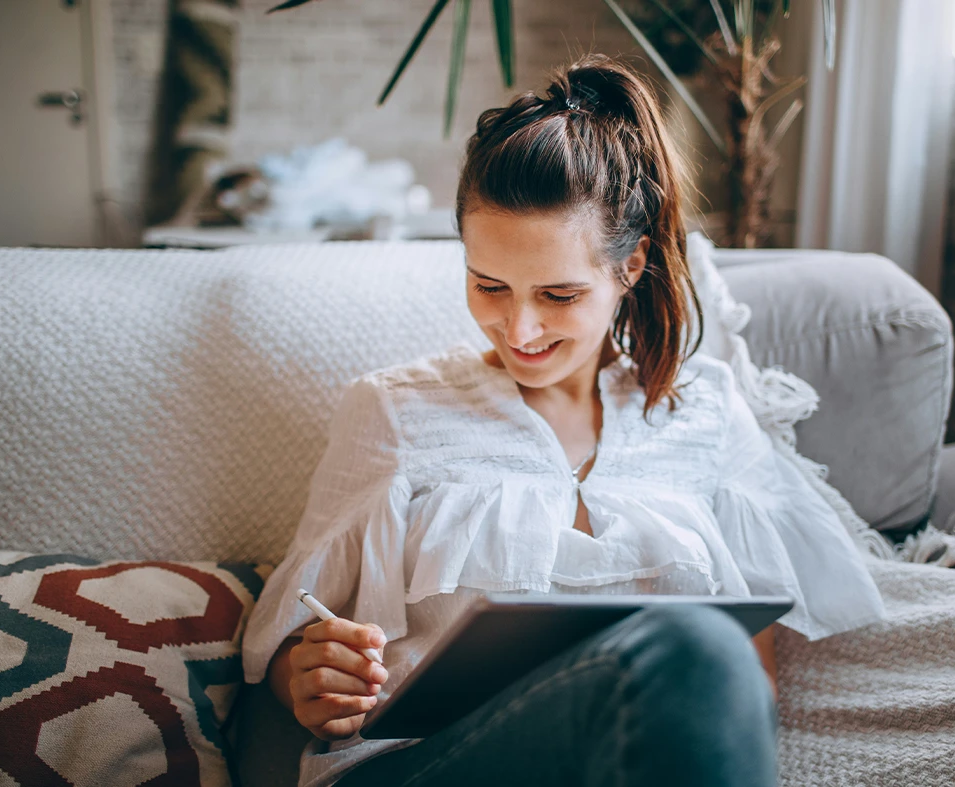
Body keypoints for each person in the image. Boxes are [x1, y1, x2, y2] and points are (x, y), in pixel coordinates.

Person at [241, 53, 886, 787]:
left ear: (631, 265)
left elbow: (748, 679)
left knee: (702, 650)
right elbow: (280, 655)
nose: (518, 327)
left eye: (557, 294)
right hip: (417, 768)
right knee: (695, 645)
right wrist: (311, 675)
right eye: (488, 285)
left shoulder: (702, 412)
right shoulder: (394, 410)